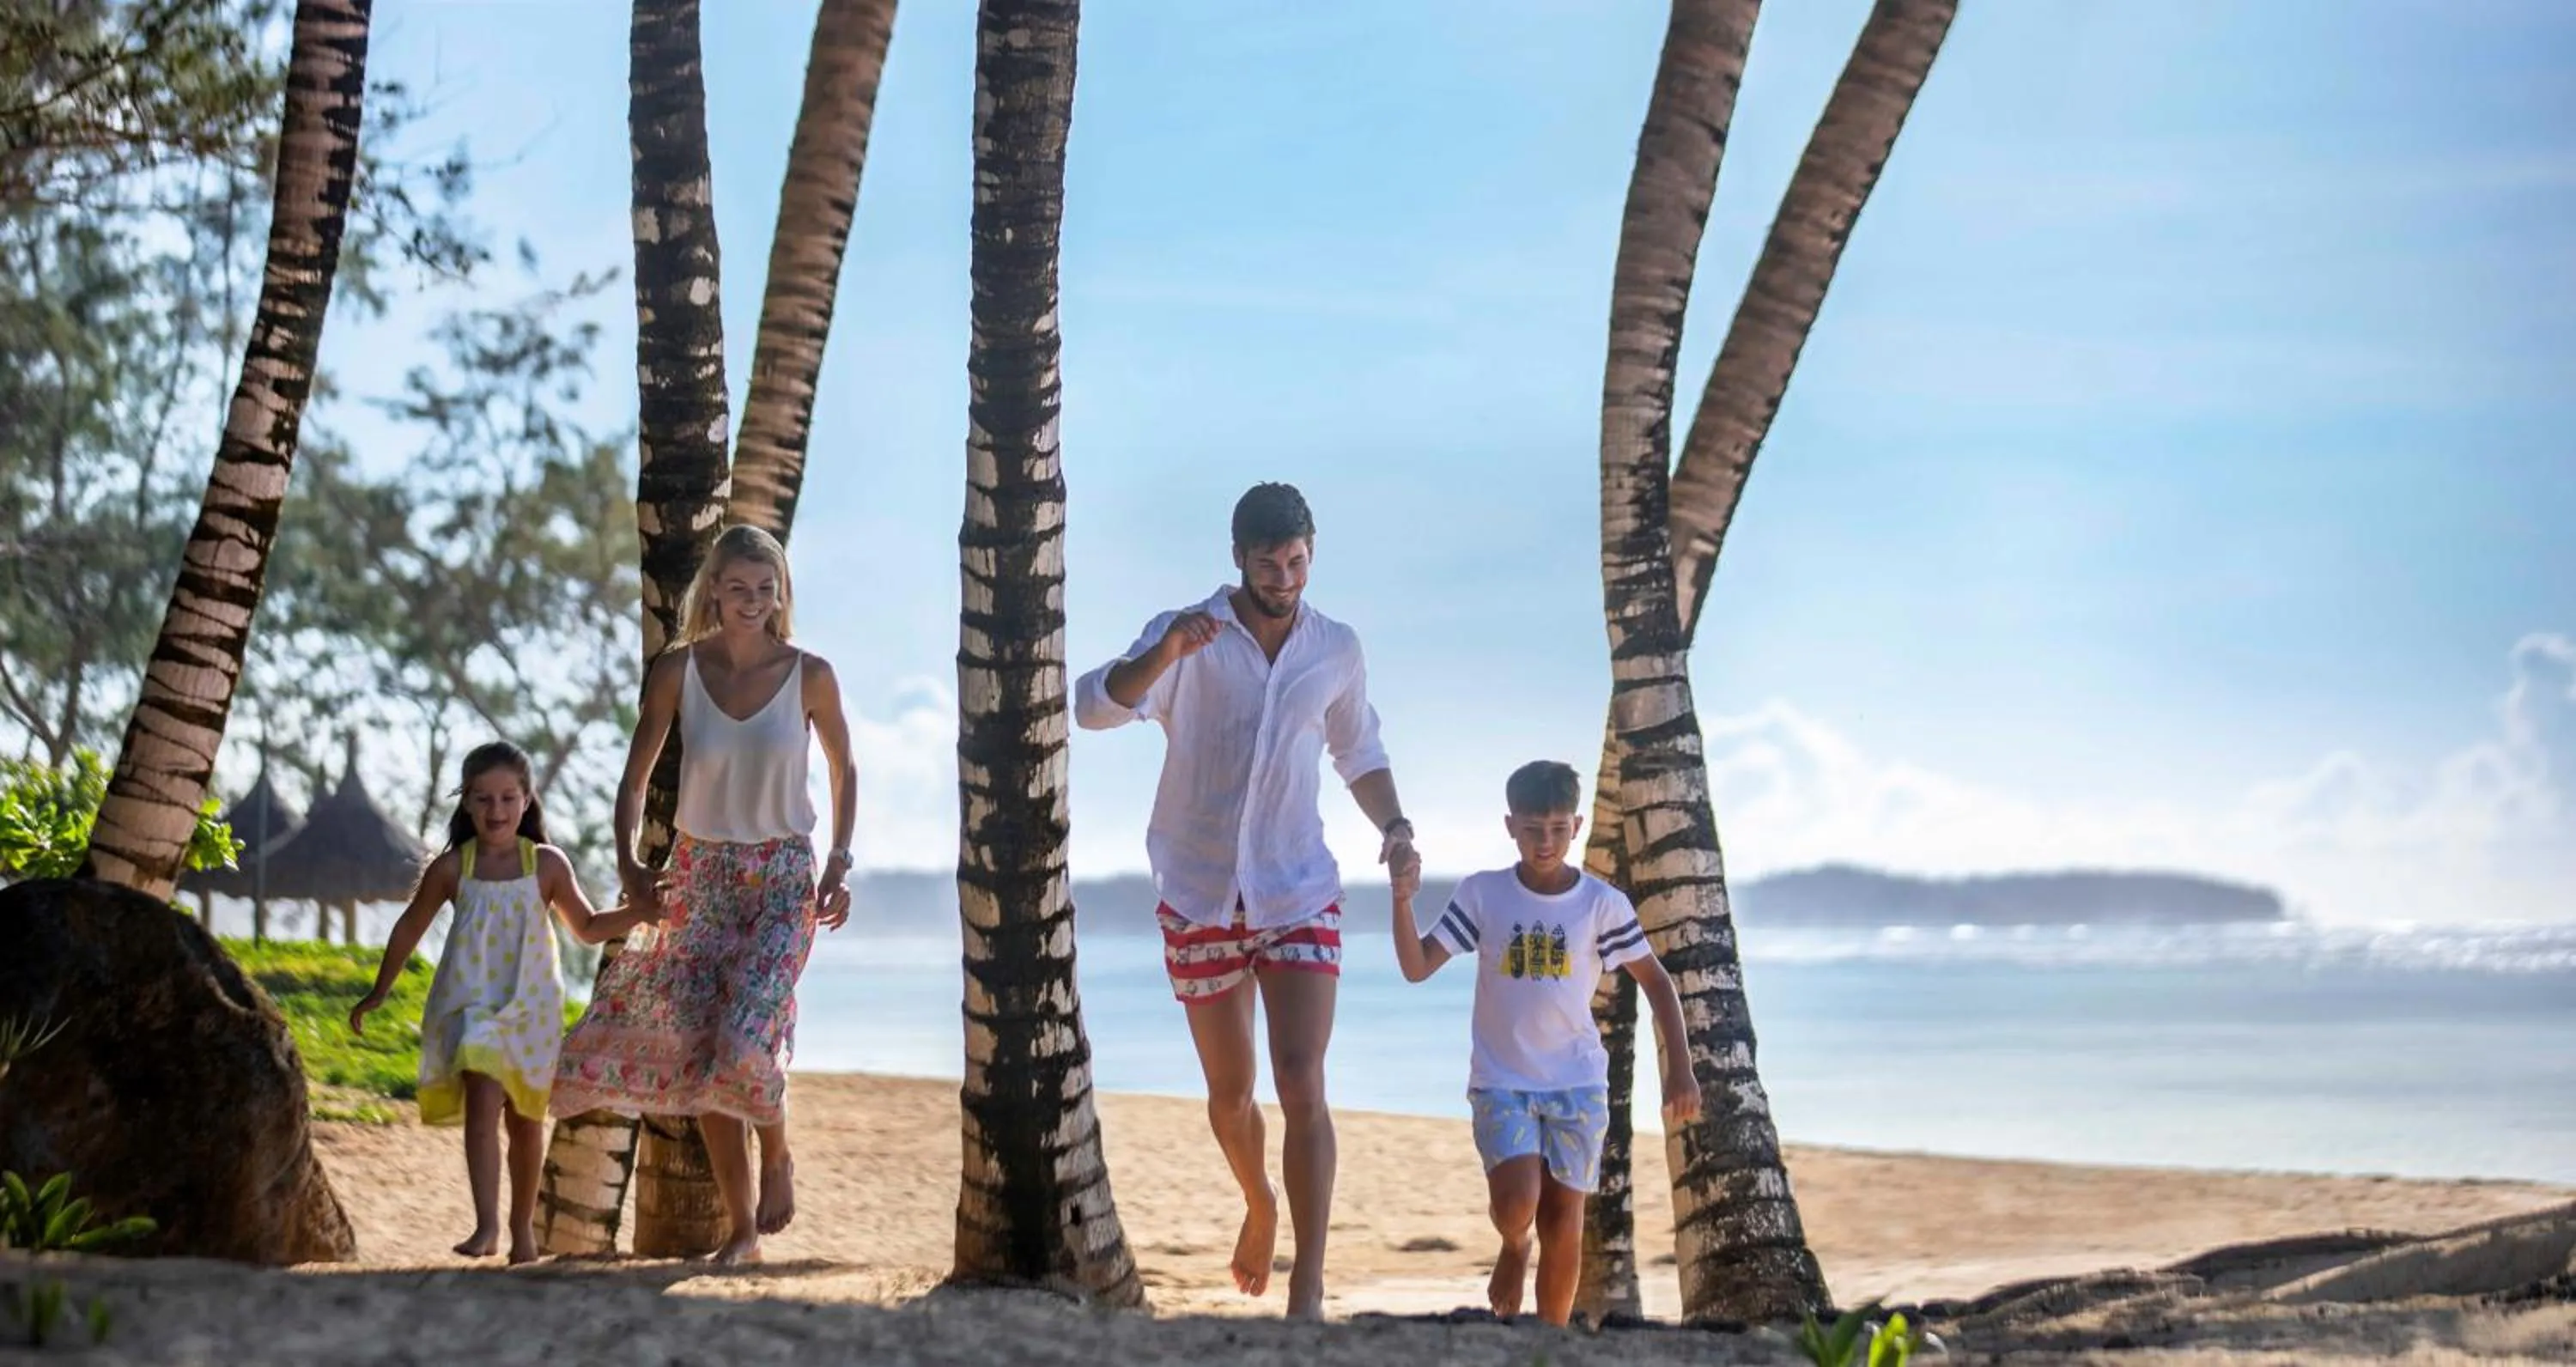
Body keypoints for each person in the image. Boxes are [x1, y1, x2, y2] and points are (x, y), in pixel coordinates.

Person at [1073, 481, 1421, 1319]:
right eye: (1268, 561)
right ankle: (1259, 1201)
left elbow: (1358, 748)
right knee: (1232, 1094)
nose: (1284, 575)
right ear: (1238, 556)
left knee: (1302, 1079)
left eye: (1297, 559)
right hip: (1198, 890)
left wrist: (1398, 823)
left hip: (1297, 884)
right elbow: (1093, 706)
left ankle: (1308, 1281)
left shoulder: (1334, 647)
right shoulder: (1184, 630)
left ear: (1311, 552)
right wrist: (1165, 657)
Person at [550, 524, 859, 1265]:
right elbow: (634, 778)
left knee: (746, 1037)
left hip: (783, 878)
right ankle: (743, 1232)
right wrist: (628, 863)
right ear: (713, 591)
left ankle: (776, 1150)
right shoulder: (677, 672)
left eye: (766, 588)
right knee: (700, 1059)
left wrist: (839, 862)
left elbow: (847, 773)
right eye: (738, 587)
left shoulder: (811, 674)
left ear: (780, 594)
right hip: (699, 878)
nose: (752, 601)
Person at [1388, 759, 1703, 1327]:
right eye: (1533, 828)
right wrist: (1402, 899)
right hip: (1501, 1080)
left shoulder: (1601, 905)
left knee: (1563, 1222)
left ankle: (1550, 1344)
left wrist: (1679, 1068)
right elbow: (1417, 967)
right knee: (1516, 1206)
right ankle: (1513, 1246)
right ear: (1511, 826)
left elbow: (1656, 981)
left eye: (1558, 829)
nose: (1545, 842)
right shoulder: (1483, 895)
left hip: (1578, 1083)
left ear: (1578, 826)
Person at [349, 740, 660, 1265]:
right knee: (482, 1089)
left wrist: (639, 913)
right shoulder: (453, 868)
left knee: (525, 1122)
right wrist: (380, 990)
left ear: (527, 800)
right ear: (466, 803)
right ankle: (487, 1225)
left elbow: (586, 928)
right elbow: (409, 928)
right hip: (470, 1005)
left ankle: (522, 1233)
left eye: (507, 799)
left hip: (532, 1010)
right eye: (483, 799)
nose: (496, 811)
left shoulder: (546, 865)